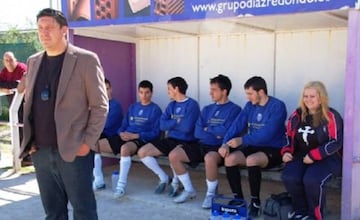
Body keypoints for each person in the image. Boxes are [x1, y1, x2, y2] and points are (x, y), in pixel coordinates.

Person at [19, 8, 108, 220]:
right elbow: (28, 103)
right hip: (40, 151)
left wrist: (86, 144)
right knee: (53, 213)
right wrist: (29, 140)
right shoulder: (33, 62)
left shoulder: (86, 60)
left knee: (84, 211)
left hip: (74, 152)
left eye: (49, 27)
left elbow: (100, 106)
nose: (44, 33)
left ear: (64, 30)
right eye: (40, 28)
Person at [218, 76, 287, 218]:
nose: (248, 97)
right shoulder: (250, 105)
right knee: (230, 159)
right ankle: (239, 200)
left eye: (250, 93)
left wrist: (242, 140)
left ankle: (255, 202)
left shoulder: (277, 106)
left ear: (261, 92)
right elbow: (237, 125)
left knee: (251, 160)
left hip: (273, 148)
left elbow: (267, 134)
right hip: (253, 145)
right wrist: (225, 143)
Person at [167, 74, 241, 205]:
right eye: (210, 89)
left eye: (214, 90)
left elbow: (226, 132)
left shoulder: (235, 110)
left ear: (224, 91)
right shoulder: (207, 109)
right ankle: (189, 190)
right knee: (174, 155)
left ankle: (211, 194)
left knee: (210, 158)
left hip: (219, 147)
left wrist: (208, 129)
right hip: (201, 144)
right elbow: (197, 132)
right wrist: (213, 131)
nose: (210, 92)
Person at [281, 81, 343, 220]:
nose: (308, 99)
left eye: (312, 96)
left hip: (327, 158)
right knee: (290, 177)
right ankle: (300, 212)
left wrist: (314, 155)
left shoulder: (330, 115)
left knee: (312, 179)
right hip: (302, 156)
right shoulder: (297, 115)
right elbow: (288, 136)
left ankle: (314, 215)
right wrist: (286, 151)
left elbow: (336, 142)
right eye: (305, 96)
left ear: (321, 98)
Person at [137, 76, 200, 200]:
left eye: (169, 89)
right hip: (171, 139)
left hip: (186, 141)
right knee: (143, 152)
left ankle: (181, 185)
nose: (168, 92)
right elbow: (162, 125)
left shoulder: (192, 104)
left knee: (174, 155)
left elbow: (187, 128)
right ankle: (164, 177)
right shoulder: (171, 105)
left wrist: (171, 123)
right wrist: (177, 121)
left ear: (176, 89)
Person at [92, 78, 123, 190]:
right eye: (102, 89)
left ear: (111, 89)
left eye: (107, 88)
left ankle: (98, 179)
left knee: (92, 142)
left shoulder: (115, 106)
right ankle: (94, 176)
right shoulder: (97, 105)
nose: (105, 91)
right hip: (99, 134)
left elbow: (106, 125)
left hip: (112, 137)